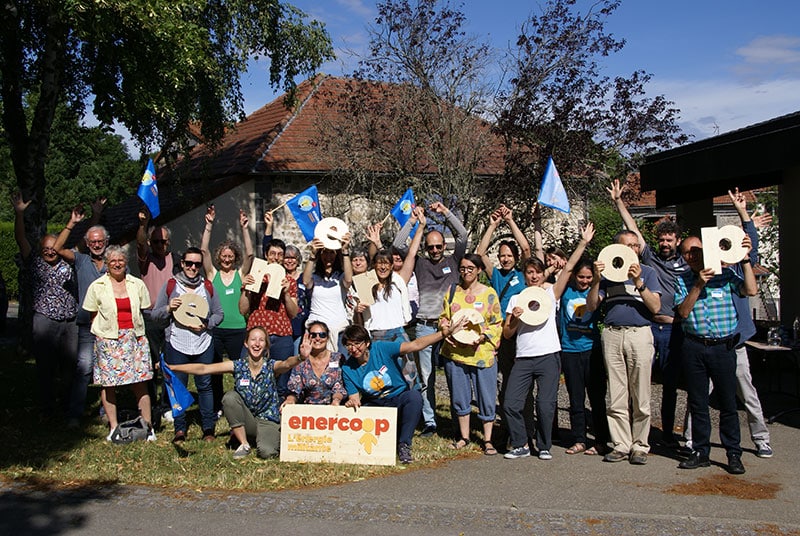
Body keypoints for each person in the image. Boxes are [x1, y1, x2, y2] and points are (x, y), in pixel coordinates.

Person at [683, 189, 774, 459]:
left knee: (746, 393)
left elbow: (747, 248)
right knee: (698, 398)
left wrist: (743, 213)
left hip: (734, 343)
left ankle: (761, 439)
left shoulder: (733, 271)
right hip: (703, 345)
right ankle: (691, 441)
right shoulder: (697, 276)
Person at [608, 179, 688, 448]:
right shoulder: (649, 260)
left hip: (675, 329)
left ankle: (667, 435)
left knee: (671, 385)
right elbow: (632, 233)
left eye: (669, 239)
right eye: (662, 239)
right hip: (651, 327)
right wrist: (619, 201)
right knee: (640, 384)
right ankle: (632, 437)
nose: (665, 243)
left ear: (677, 240)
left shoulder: (686, 263)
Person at [675, 233, 756, 475]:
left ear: (707, 249)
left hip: (723, 347)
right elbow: (683, 312)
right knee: (698, 402)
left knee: (728, 403)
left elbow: (750, 290)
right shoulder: (683, 280)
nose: (692, 256)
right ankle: (700, 452)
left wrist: (744, 260)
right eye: (687, 252)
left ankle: (733, 453)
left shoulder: (727, 275)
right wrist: (698, 284)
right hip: (694, 347)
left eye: (696, 250)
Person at [393, 201, 468, 437]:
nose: (435, 251)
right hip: (425, 327)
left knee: (456, 376)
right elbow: (397, 244)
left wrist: (445, 212)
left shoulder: (453, 262)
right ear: (425, 248)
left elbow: (463, 234)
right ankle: (430, 421)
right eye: (431, 247)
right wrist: (414, 221)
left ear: (444, 246)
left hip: (451, 327)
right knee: (426, 378)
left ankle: (460, 421)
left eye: (438, 247)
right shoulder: (420, 264)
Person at [586, 230, 661, 465]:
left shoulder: (648, 272)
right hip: (612, 334)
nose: (633, 250)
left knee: (640, 393)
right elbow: (591, 306)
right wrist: (597, 279)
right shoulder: (608, 275)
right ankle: (621, 444)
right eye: (627, 245)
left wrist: (639, 282)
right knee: (617, 393)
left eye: (636, 246)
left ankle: (640, 445)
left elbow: (656, 307)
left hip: (639, 334)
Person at [168, 326, 300, 459]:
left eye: (261, 340)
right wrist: (173, 367)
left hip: (268, 419)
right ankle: (244, 444)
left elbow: (287, 364)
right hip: (246, 419)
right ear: (246, 343)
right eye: (253, 339)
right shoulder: (237, 365)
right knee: (229, 398)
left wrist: (300, 357)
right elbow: (203, 368)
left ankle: (266, 437)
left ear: (266, 345)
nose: (257, 344)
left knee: (267, 453)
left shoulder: (272, 365)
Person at [341, 321, 463, 464]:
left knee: (414, 397)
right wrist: (352, 401)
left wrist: (444, 333)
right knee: (362, 412)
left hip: (398, 396)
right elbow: (354, 397)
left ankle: (404, 444)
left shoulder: (381, 348)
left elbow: (415, 345)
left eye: (357, 343)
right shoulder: (347, 369)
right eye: (349, 345)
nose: (353, 348)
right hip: (376, 403)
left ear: (367, 343)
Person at [13, 193, 78, 417]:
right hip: (44, 320)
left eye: (53, 247)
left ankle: (66, 404)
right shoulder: (35, 263)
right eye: (46, 248)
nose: (50, 251)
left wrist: (90, 216)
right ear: (41, 249)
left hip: (70, 321)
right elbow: (21, 238)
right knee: (46, 366)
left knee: (70, 366)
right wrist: (19, 214)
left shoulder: (68, 261)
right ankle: (48, 406)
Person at [152, 247, 224, 443]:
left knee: (205, 386)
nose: (193, 267)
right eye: (189, 263)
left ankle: (208, 428)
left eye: (197, 264)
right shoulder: (171, 285)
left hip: (203, 343)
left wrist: (207, 324)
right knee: (177, 386)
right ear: (182, 264)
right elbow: (155, 315)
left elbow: (219, 313)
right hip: (177, 342)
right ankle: (180, 429)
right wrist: (168, 307)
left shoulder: (207, 286)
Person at [82, 246, 154, 440]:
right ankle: (114, 427)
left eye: (120, 260)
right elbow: (93, 315)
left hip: (135, 338)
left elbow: (144, 309)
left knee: (140, 383)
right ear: (106, 263)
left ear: (126, 262)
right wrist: (103, 337)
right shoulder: (97, 286)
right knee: (109, 385)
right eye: (112, 260)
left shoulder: (137, 284)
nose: (117, 263)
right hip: (108, 341)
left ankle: (148, 427)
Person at [551, 223, 610, 456]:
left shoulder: (597, 286)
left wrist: (596, 280)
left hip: (592, 349)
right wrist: (583, 243)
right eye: (581, 277)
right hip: (570, 349)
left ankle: (601, 440)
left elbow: (593, 305)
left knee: (597, 398)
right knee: (576, 398)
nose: (584, 281)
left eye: (588, 277)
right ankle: (578, 439)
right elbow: (566, 271)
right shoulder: (566, 290)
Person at [475, 204, 531, 433]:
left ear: (515, 258)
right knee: (505, 379)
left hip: (520, 331)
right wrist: (492, 225)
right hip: (501, 332)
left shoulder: (523, 274)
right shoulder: (496, 275)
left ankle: (528, 426)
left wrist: (510, 221)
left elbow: (527, 249)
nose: (505, 259)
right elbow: (479, 254)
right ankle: (510, 428)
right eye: (502, 256)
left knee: (523, 380)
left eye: (509, 256)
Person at [439, 253, 502, 455]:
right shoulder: (451, 291)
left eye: (470, 269)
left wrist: (484, 336)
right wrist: (445, 329)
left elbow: (496, 322)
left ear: (479, 270)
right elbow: (443, 317)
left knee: (486, 395)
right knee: (459, 395)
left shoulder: (489, 293)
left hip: (481, 353)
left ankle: (488, 439)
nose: (466, 272)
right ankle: (464, 437)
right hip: (455, 353)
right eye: (463, 268)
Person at [54, 206, 110, 427]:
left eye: (100, 241)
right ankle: (75, 414)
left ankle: (107, 411)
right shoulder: (81, 261)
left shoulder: (113, 262)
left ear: (106, 242)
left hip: (108, 326)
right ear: (87, 244)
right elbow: (58, 248)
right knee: (84, 368)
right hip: (87, 324)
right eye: (93, 242)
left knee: (107, 369)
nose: (97, 245)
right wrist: (72, 223)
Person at [502, 258, 561, 461]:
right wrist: (515, 318)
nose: (534, 275)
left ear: (543, 274)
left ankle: (544, 446)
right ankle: (521, 444)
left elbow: (569, 269)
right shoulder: (515, 299)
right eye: (529, 272)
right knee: (510, 403)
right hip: (524, 358)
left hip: (548, 355)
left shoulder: (551, 294)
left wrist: (583, 243)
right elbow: (507, 334)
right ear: (524, 275)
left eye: (537, 272)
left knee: (545, 404)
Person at [201, 205, 254, 413]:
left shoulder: (241, 274)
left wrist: (244, 229)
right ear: (218, 257)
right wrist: (209, 225)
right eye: (223, 255)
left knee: (240, 371)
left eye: (230, 255)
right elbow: (203, 250)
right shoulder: (212, 273)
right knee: (215, 370)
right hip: (215, 329)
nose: (226, 258)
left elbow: (250, 254)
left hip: (238, 328)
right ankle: (215, 406)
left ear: (234, 257)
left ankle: (240, 405)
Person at [240, 235, 298, 397]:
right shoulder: (255, 276)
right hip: (257, 335)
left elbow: (293, 313)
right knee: (249, 375)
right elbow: (242, 310)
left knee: (282, 381)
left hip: (281, 335)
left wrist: (286, 294)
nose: (276, 258)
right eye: (273, 253)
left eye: (280, 254)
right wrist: (246, 290)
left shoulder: (289, 281)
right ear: (266, 255)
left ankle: (279, 417)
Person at [303, 230, 353, 351]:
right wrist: (312, 255)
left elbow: (349, 280)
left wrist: (345, 252)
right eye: (325, 253)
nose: (328, 256)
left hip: (339, 330)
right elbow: (305, 281)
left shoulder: (340, 277)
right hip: (316, 333)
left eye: (332, 253)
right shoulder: (314, 278)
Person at [283, 321, 346, 405]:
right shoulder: (302, 361)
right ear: (309, 337)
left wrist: (336, 400)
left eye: (322, 335)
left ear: (327, 338)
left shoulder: (338, 358)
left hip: (333, 407)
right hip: (308, 411)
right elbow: (294, 389)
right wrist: (290, 400)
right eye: (313, 335)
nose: (318, 338)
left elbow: (340, 387)